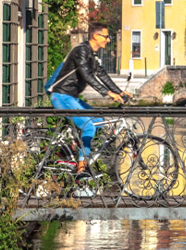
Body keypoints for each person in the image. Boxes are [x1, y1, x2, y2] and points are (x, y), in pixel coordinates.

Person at [48, 22, 129, 173]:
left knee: (100, 120)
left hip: (71, 98)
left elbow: (102, 75)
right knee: (89, 126)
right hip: (61, 96)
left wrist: (120, 92)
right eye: (106, 36)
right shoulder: (81, 51)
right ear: (95, 36)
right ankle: (81, 170)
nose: (108, 40)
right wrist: (107, 93)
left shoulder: (91, 54)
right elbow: (87, 75)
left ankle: (70, 150)